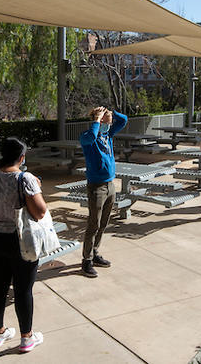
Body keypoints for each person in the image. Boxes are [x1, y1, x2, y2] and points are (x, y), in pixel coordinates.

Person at [0, 138, 46, 353]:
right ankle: (26, 337)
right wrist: (37, 188)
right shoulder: (25, 179)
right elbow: (40, 211)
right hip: (20, 240)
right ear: (21, 157)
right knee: (23, 289)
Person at [78, 106, 127, 278]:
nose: (111, 122)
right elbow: (92, 135)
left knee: (103, 223)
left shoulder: (108, 135)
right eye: (107, 120)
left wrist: (111, 110)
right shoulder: (87, 138)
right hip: (96, 186)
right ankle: (86, 261)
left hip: (110, 185)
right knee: (93, 224)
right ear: (98, 121)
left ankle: (95, 253)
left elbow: (124, 120)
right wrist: (97, 120)